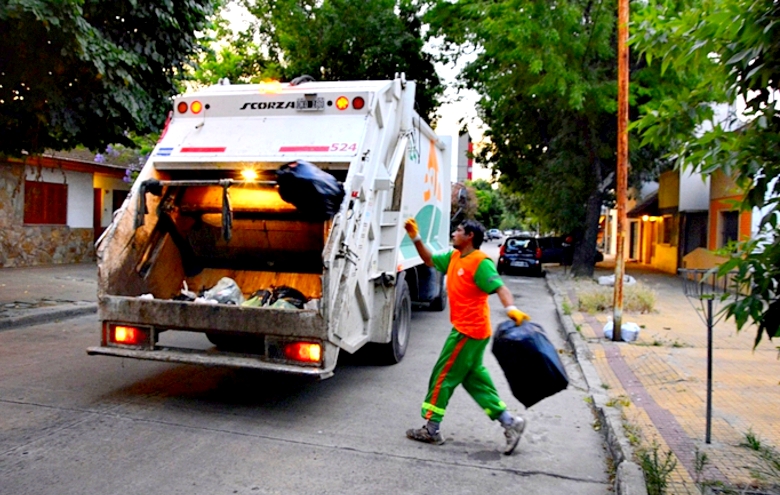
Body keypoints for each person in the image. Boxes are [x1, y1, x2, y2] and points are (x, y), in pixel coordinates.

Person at [403, 218, 531, 455]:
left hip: (468, 331)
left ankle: (431, 429)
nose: (454, 233)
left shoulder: (479, 262)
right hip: (470, 331)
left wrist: (511, 309)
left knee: (443, 375)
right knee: (473, 380)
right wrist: (416, 238)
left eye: (459, 231)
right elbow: (429, 259)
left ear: (470, 236)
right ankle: (510, 422)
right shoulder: (453, 257)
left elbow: (500, 287)